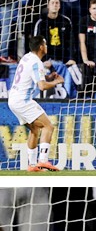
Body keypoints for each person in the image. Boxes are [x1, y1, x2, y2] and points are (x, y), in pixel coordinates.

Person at [7, 36, 64, 171]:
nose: (46, 46)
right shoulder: (36, 62)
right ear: (41, 47)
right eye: (45, 44)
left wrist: (48, 77)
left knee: (34, 129)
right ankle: (43, 161)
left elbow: (33, 78)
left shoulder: (27, 57)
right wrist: (57, 82)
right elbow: (42, 87)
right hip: (23, 101)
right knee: (48, 127)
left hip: (13, 100)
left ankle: (32, 166)